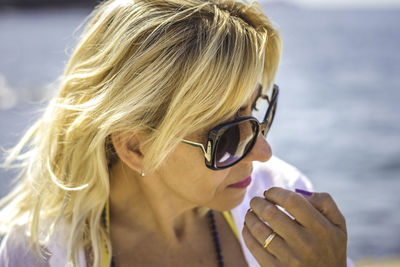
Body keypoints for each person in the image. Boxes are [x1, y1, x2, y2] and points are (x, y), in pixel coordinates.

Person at [0, 0, 350, 266]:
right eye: (226, 136)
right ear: (135, 147)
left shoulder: (284, 199)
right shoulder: (38, 253)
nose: (263, 152)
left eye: (256, 110)